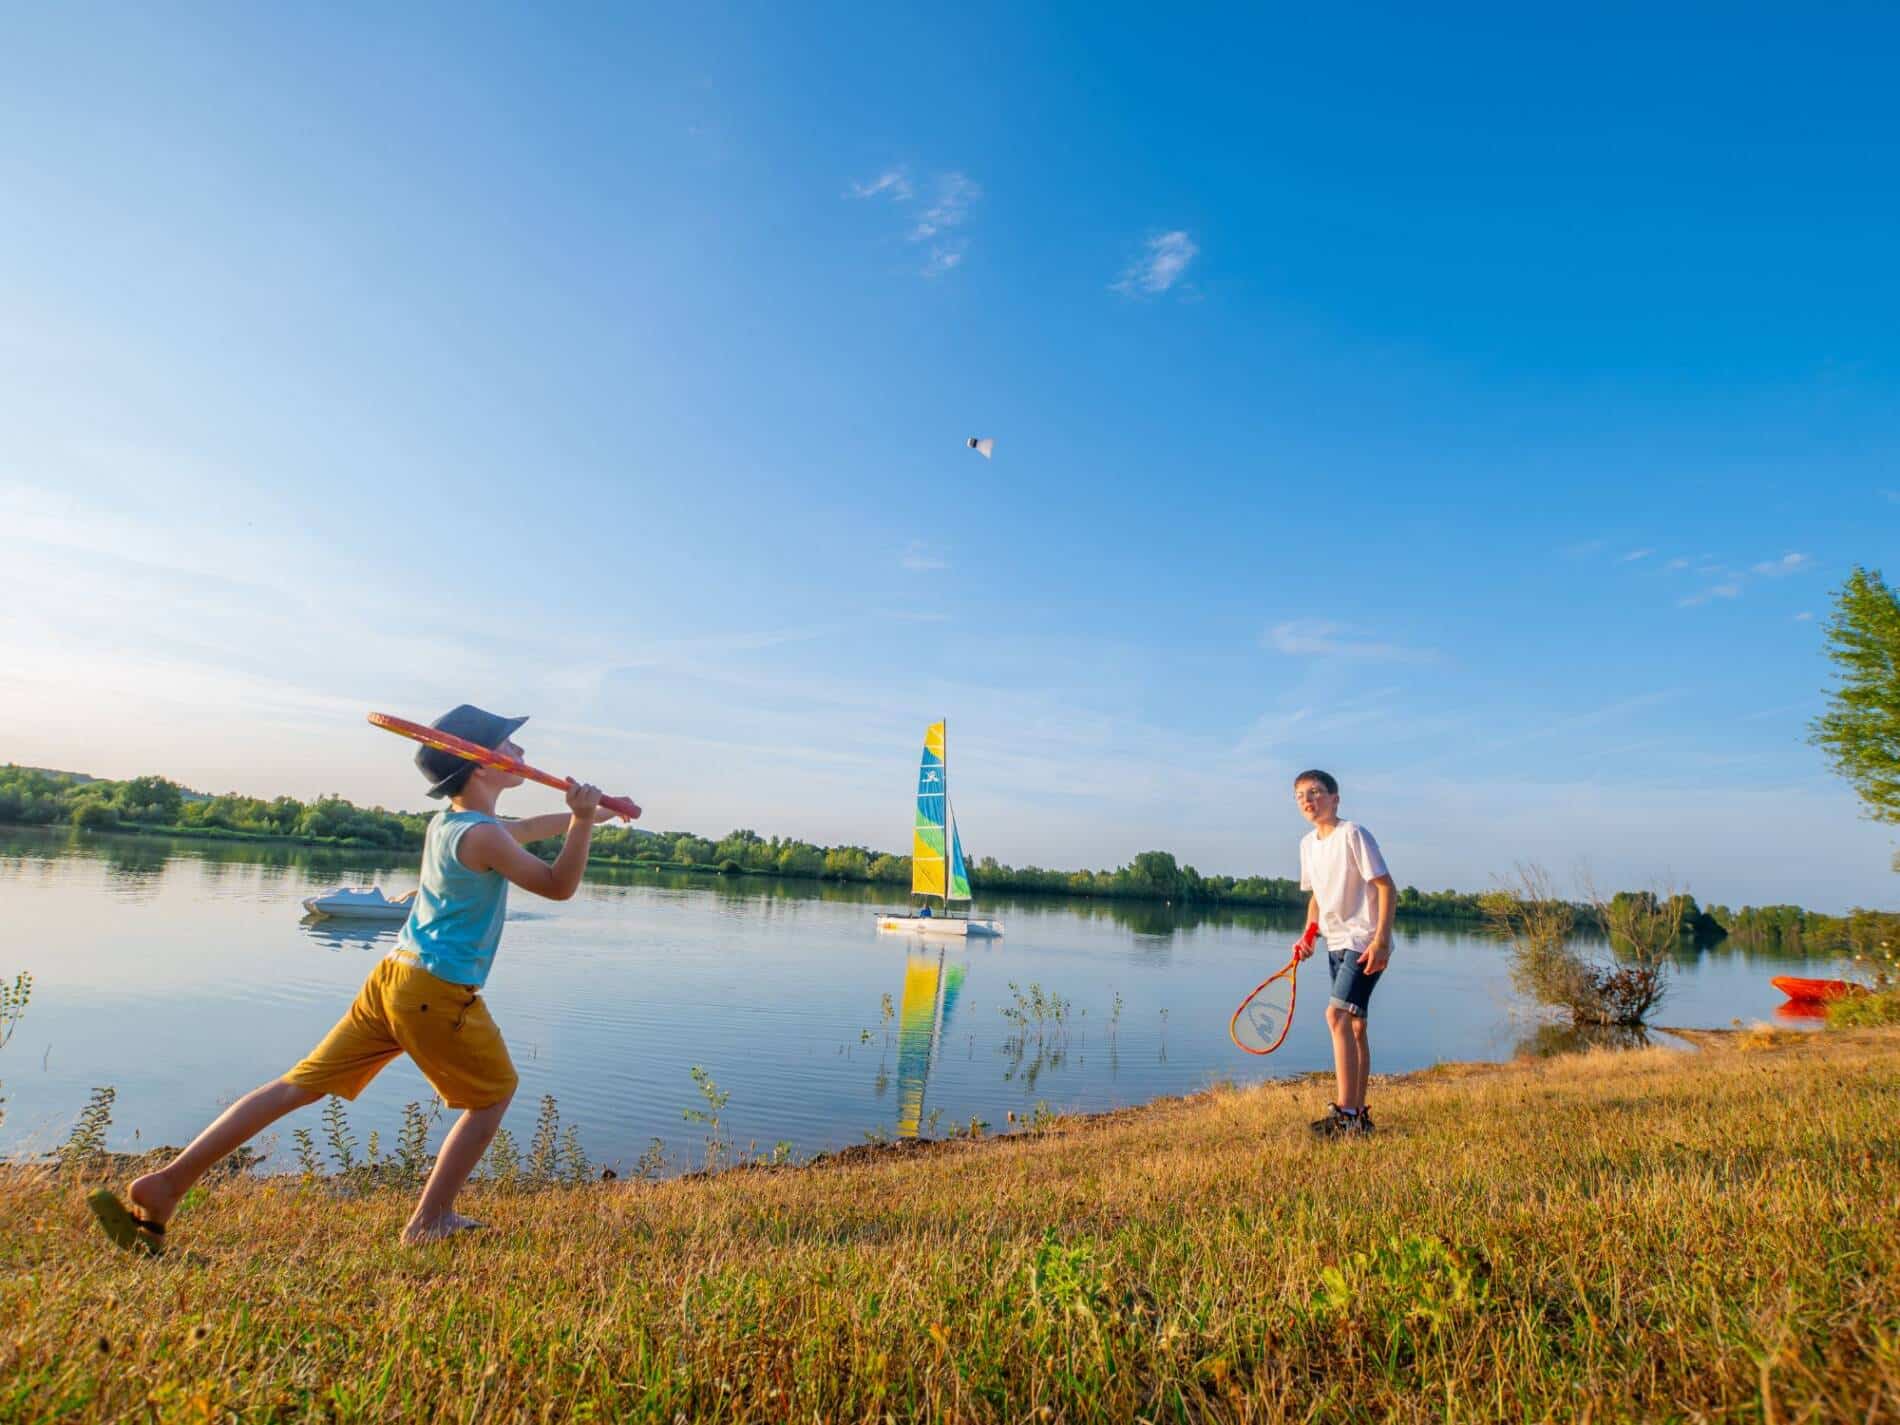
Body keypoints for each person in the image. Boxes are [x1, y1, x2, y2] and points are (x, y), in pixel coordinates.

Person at [86, 704, 624, 1250]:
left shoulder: (452, 824)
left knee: (297, 1086)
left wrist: (594, 814)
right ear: (481, 764)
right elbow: (558, 886)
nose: (521, 753)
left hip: (394, 978)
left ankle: (167, 1183)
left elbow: (526, 829)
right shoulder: (484, 836)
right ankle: (430, 1219)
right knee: (493, 1096)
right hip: (436, 991)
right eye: (509, 744)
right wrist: (580, 822)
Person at [1288, 768, 1394, 1137]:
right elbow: (1317, 898)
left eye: (1315, 792)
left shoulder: (1353, 834)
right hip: (1335, 942)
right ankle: (1360, 1117)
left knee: (1335, 1016)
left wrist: (1381, 941)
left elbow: (1386, 887)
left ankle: (1345, 1114)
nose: (1308, 800)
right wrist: (1309, 935)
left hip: (1364, 941)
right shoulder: (1307, 845)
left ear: (1335, 799)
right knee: (1355, 1025)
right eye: (1300, 795)